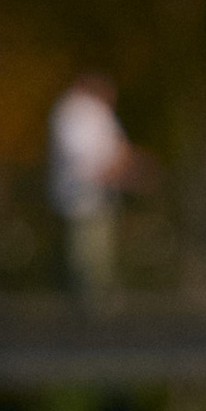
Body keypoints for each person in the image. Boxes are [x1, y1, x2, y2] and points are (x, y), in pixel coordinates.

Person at [48, 73, 138, 301]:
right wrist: (113, 168)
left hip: (96, 188)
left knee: (97, 244)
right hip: (85, 190)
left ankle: (96, 294)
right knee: (89, 247)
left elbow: (116, 147)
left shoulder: (88, 111)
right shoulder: (77, 111)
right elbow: (84, 156)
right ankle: (93, 297)